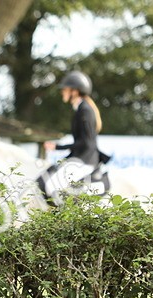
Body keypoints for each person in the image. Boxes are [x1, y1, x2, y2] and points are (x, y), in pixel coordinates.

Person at [39, 71, 106, 203]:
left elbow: (86, 143)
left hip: (86, 160)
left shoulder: (85, 110)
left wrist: (57, 147)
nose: (62, 92)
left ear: (74, 92)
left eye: (65, 89)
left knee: (52, 186)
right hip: (80, 158)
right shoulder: (80, 109)